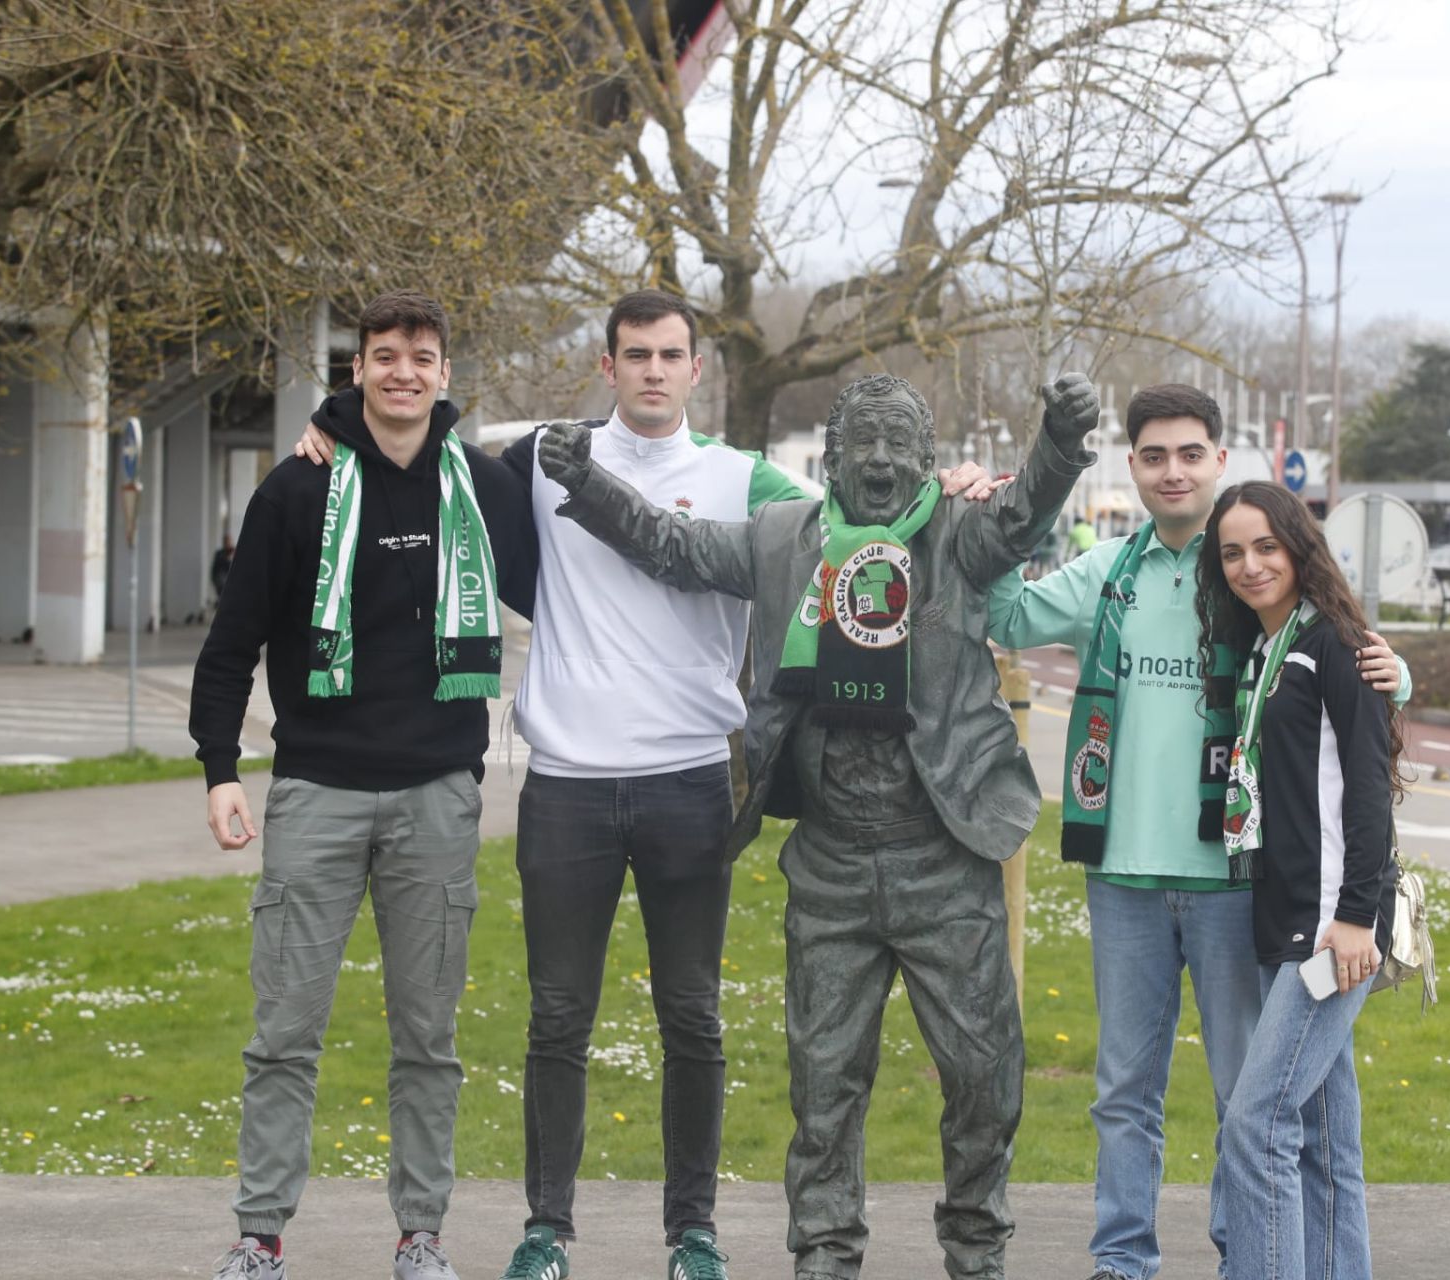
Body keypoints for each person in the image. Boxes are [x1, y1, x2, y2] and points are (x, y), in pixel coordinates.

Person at [293, 290, 1001, 1280]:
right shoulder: (542, 460)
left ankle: (693, 1232)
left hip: (689, 781)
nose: (654, 370)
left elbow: (869, 520)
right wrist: (330, 428)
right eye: (636, 354)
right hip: (569, 784)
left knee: (693, 1017)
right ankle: (547, 1228)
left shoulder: (747, 480)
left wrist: (956, 482)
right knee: (556, 1018)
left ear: (697, 368)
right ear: (607, 364)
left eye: (672, 354)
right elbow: (414, 439)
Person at [536, 370, 1099, 1280]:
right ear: (832, 457)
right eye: (861, 444)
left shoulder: (961, 537)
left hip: (945, 861)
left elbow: (1027, 511)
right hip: (832, 866)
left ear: (924, 459)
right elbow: (671, 544)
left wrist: (1062, 440)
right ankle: (825, 1256)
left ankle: (976, 1248)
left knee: (984, 1080)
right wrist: (588, 483)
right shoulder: (783, 540)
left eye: (897, 445)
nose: (879, 461)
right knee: (823, 1089)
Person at [987, 384, 1407, 1280]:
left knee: (1247, 1101)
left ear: (1221, 458)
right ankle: (1123, 1261)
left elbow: (1335, 666)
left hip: (1234, 882)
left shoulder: (1251, 570)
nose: (1171, 470)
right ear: (1130, 466)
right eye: (1152, 455)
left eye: (1189, 453)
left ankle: (1240, 1258)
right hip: (1124, 877)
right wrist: (992, 513)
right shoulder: (1110, 572)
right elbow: (1006, 619)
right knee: (1122, 1094)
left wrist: (1392, 674)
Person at [190, 291, 531, 1280]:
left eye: (421, 356)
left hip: (437, 794)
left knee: (428, 1034)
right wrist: (220, 769)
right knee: (284, 1029)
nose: (403, 372)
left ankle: (421, 1233)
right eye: (385, 355)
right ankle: (259, 1235)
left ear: (445, 374)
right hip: (317, 792)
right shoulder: (297, 490)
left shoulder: (485, 488)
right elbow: (230, 647)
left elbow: (582, 513)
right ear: (358, 370)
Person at [1196, 480, 1403, 1280]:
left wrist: (1358, 916)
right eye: (1233, 552)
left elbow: (1369, 792)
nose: (1250, 566)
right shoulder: (1263, 648)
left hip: (1330, 932)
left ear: (1298, 546)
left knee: (1257, 1128)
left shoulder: (1337, 647)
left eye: (1266, 547)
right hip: (1284, 920)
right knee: (1323, 1142)